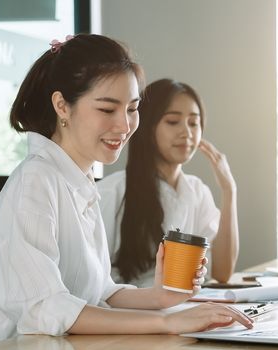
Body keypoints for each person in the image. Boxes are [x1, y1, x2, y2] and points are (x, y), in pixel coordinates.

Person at [0, 35, 251, 349]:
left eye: (132, 109)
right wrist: (166, 321)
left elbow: (99, 293)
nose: (124, 125)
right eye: (108, 110)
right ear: (62, 106)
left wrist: (160, 298)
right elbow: (44, 308)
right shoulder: (36, 180)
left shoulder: (80, 182)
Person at [97, 78, 239, 287]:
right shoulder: (112, 191)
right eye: (173, 122)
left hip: (184, 310)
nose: (187, 132)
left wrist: (229, 191)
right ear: (147, 126)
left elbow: (222, 273)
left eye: (193, 122)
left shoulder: (197, 191)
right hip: (132, 313)